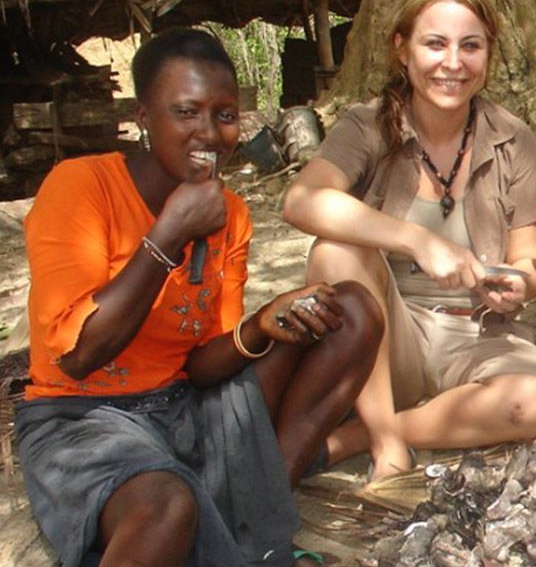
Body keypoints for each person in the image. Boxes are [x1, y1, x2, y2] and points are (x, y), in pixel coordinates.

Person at [18, 28, 383, 567]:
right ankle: (222, 528)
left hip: (181, 406)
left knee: (351, 309)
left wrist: (261, 326)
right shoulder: (80, 187)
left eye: (226, 115)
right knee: (165, 507)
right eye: (186, 113)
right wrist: (167, 236)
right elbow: (79, 357)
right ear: (144, 118)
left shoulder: (229, 214)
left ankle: (255, 511)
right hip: (82, 416)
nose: (209, 134)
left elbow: (203, 367)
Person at [282, 0, 536, 482]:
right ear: (402, 49)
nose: (452, 63)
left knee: (532, 402)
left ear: (487, 54)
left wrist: (518, 283)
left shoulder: (512, 140)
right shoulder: (367, 126)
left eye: (470, 46)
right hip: (387, 341)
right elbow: (301, 201)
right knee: (335, 251)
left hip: (478, 332)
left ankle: (360, 435)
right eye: (435, 43)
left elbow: (531, 258)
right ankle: (389, 446)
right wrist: (417, 239)